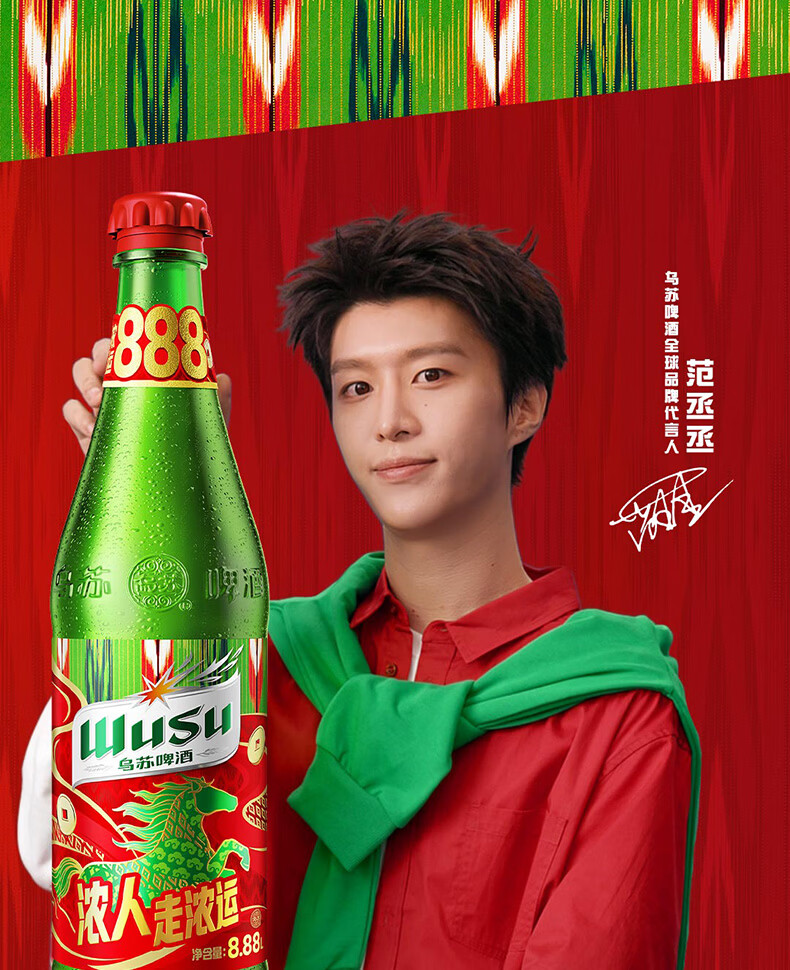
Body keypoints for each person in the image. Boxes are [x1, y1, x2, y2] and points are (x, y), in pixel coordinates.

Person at [19, 211, 697, 970]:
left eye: (431, 376)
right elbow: (67, 856)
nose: (390, 422)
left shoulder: (616, 713)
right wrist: (158, 493)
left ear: (524, 405)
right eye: (356, 387)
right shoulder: (263, 658)